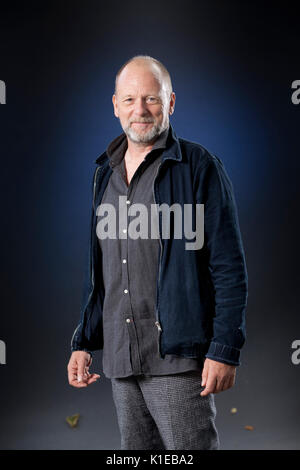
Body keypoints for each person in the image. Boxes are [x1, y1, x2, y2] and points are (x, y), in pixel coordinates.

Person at [67, 55, 248, 450]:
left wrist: (224, 349)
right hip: (120, 357)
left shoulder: (199, 167)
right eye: (130, 99)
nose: (140, 110)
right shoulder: (104, 174)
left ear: (170, 102)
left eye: (151, 98)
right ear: (115, 106)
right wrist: (83, 341)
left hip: (177, 359)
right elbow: (100, 269)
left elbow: (229, 268)